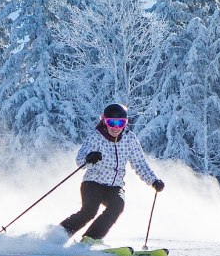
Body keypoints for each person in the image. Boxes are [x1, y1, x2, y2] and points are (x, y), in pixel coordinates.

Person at [60, 103, 164, 245]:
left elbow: (139, 163)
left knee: (117, 205)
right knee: (89, 211)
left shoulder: (130, 139)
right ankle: (60, 234)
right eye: (111, 122)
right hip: (93, 183)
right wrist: (89, 158)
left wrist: (153, 181)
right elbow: (80, 160)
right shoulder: (96, 137)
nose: (115, 127)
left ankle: (91, 238)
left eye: (120, 123)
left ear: (125, 123)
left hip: (115, 186)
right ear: (104, 121)